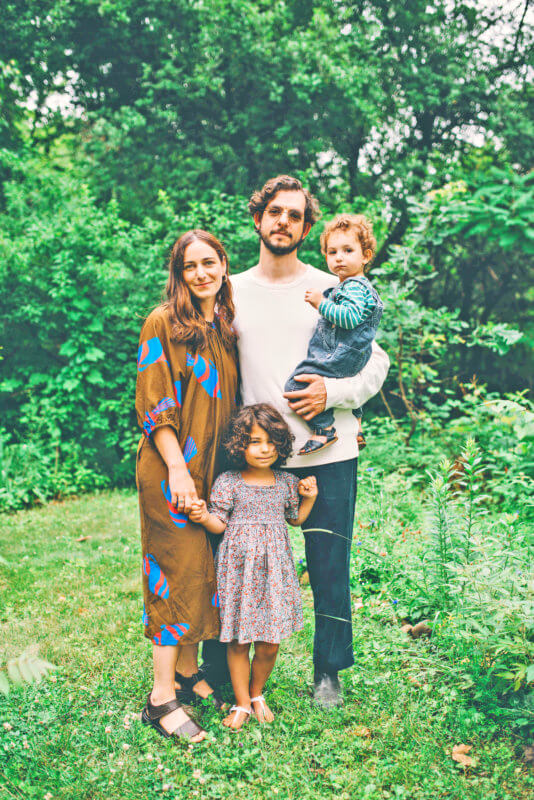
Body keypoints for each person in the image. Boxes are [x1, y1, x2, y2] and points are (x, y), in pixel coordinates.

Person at [202, 175, 389, 708]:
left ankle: (328, 670)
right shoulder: (229, 290)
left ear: (307, 227)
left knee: (330, 565)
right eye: (274, 212)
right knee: (238, 565)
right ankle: (224, 662)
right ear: (258, 219)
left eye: (295, 214)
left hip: (328, 451)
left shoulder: (334, 285)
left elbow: (375, 359)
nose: (283, 221)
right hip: (254, 461)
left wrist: (333, 390)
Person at [136, 229, 238, 743]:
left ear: (223, 265)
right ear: (178, 274)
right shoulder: (163, 322)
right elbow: (155, 402)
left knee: (204, 572)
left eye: (210, 263)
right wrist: (177, 469)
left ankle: (187, 671)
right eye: (190, 266)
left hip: (213, 472)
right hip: (171, 467)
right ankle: (160, 697)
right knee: (173, 572)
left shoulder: (222, 325)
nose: (201, 273)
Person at [190, 404, 317, 730]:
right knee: (238, 640)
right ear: (239, 445)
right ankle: (242, 702)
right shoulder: (229, 482)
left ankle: (257, 692)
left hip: (274, 570)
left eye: (271, 442)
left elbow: (294, 519)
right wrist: (204, 517)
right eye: (255, 442)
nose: (264, 449)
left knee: (270, 641)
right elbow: (219, 522)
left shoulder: (286, 482)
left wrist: (309, 498)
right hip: (238, 570)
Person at [285, 213, 384, 455]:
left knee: (296, 383)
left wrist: (321, 303)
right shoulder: (352, 286)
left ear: (366, 256)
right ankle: (357, 426)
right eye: (332, 252)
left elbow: (349, 319)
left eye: (348, 250)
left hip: (345, 352)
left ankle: (324, 430)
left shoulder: (354, 288)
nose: (339, 257)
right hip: (356, 354)